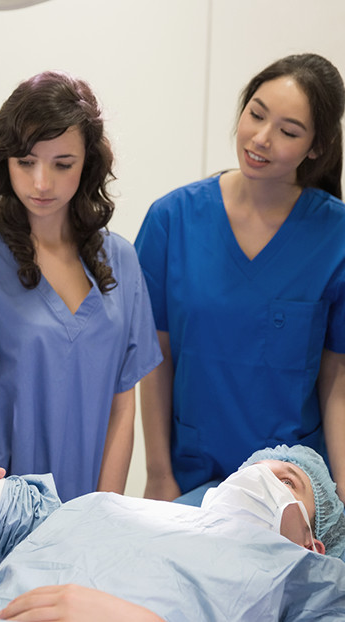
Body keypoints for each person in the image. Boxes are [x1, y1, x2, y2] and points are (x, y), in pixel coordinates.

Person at [0, 70, 163, 613]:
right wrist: (7, 523)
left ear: (88, 165)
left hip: (85, 533)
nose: (41, 182)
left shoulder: (120, 262)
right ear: (4, 162)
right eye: (25, 161)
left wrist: (99, 521)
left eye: (62, 164)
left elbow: (124, 406)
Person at [0, 381, 345, 620]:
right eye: (260, 470)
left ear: (312, 544)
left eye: (289, 484)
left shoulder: (305, 583)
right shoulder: (109, 511)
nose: (266, 478)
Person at [134, 53, 345, 505]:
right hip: (194, 475)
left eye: (288, 132)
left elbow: (336, 377)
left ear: (317, 147)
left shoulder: (336, 237)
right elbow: (154, 362)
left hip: (292, 492)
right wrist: (157, 474)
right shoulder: (172, 220)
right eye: (256, 114)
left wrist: (341, 490)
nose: (261, 139)